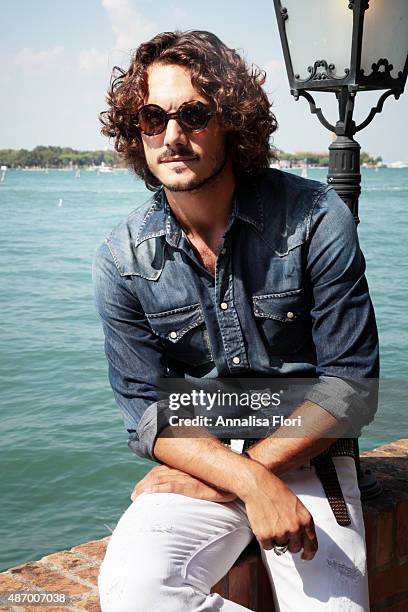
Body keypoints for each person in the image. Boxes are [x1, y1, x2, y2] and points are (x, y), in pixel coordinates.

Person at [93, 30, 379, 611]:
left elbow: (349, 390)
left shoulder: (316, 219)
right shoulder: (123, 256)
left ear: (232, 122)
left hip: (309, 452)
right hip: (205, 455)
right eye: (152, 117)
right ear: (136, 130)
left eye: (193, 114)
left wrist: (245, 471)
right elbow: (147, 409)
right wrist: (243, 480)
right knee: (136, 592)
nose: (172, 136)